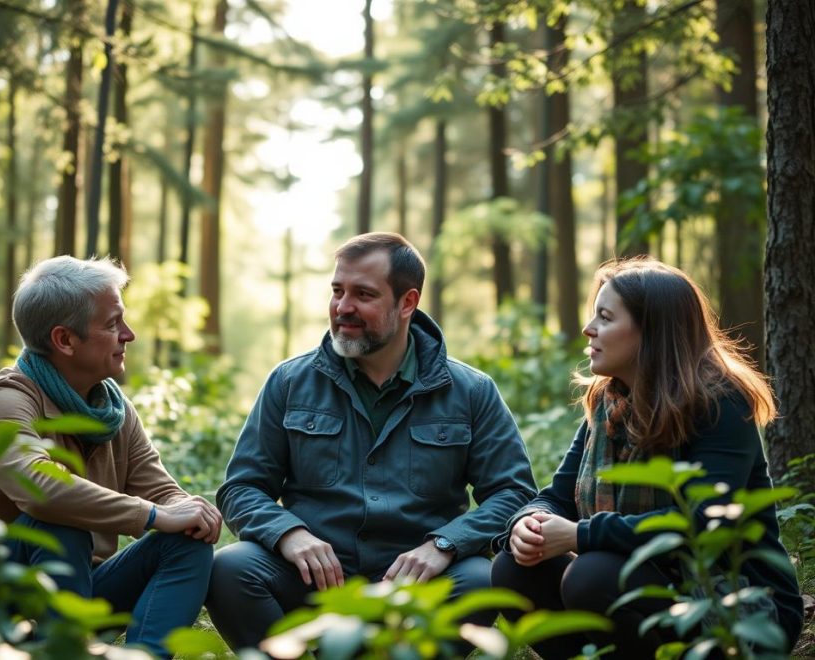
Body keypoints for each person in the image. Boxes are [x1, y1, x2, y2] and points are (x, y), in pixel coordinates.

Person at [206, 232, 537, 651]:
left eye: (363, 294)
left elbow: (514, 493)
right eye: (337, 291)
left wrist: (445, 545)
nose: (343, 307)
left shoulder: (471, 390)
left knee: (480, 579)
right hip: (314, 583)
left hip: (420, 586)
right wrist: (290, 535)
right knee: (231, 568)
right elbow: (241, 487)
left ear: (407, 303)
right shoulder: (289, 382)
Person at [491, 257, 804, 658]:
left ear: (652, 331)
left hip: (735, 605)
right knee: (514, 568)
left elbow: (702, 522)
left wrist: (579, 535)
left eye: (605, 317)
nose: (588, 329)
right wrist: (525, 524)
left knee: (592, 574)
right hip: (645, 583)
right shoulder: (609, 402)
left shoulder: (721, 403)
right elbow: (557, 495)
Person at [0, 256, 223, 658]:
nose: (129, 334)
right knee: (54, 521)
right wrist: (153, 515)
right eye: (112, 324)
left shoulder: (111, 408)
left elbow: (161, 490)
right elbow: (41, 490)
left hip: (78, 592)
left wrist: (184, 509)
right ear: (65, 340)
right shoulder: (4, 400)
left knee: (187, 541)